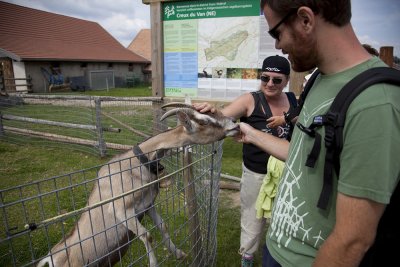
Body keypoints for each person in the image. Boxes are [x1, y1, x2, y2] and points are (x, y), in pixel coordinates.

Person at [234, 1, 400, 266]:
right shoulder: (320, 80)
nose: (277, 45)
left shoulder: (376, 101)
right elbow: (299, 153)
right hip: (277, 248)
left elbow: (352, 240)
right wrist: (251, 134)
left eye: (276, 33)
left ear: (305, 20)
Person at [194, 55, 297, 267]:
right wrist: (212, 111)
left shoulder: (294, 100)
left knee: (284, 218)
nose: (269, 83)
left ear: (286, 80)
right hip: (256, 173)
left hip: (288, 173)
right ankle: (247, 258)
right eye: (265, 77)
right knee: (252, 217)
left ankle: (279, 256)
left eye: (276, 80)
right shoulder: (251, 100)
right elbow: (223, 118)